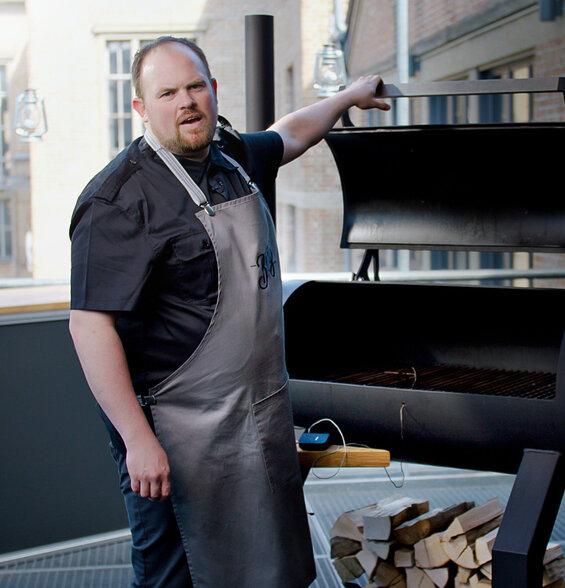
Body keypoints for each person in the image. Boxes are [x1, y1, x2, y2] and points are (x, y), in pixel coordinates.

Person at [68, 36, 389, 588]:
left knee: (267, 565)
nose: (186, 101)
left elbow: (290, 134)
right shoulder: (117, 200)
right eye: (167, 92)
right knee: (176, 571)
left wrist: (346, 98)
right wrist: (138, 440)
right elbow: (88, 325)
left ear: (213, 91)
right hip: (171, 429)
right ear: (141, 109)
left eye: (195, 86)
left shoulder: (231, 156)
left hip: (255, 412)